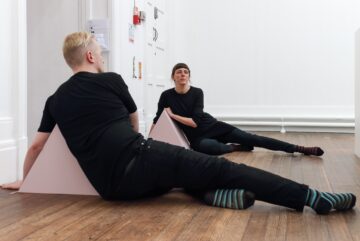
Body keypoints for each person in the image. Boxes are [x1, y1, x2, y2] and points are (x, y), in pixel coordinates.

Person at [0, 32, 356, 215]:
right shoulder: (111, 80)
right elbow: (134, 119)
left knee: (180, 175)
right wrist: (138, 139)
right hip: (139, 157)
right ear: (92, 56)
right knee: (221, 167)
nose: (103, 57)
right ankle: (312, 197)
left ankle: (212, 196)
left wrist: (23, 180)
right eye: (101, 52)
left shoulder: (55, 99)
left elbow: (35, 146)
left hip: (113, 190)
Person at [152, 63, 324, 156]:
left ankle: (298, 148)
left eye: (185, 72)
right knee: (208, 149)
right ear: (173, 77)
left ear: (189, 76)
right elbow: (157, 119)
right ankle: (235, 148)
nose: (182, 74)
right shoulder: (166, 95)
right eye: (179, 72)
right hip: (195, 138)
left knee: (253, 138)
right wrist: (148, 139)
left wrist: (173, 115)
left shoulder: (197, 92)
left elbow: (195, 122)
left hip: (212, 126)